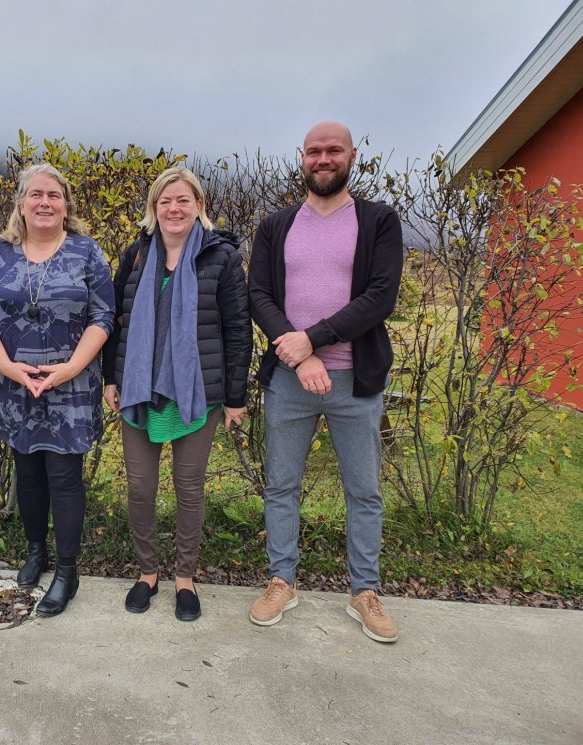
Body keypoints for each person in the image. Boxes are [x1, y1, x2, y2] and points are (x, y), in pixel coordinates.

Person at [248, 121, 404, 642]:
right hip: (290, 381)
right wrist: (299, 356)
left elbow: (381, 296)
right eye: (314, 151)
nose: (323, 159)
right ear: (302, 158)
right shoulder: (276, 225)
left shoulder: (379, 221)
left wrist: (311, 340)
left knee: (363, 490)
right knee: (282, 485)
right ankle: (281, 580)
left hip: (355, 382)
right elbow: (259, 296)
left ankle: (365, 591)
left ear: (351, 155)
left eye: (333, 150)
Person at [103, 167, 252, 622]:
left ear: (199, 206)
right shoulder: (135, 254)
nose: (174, 208)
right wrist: (111, 377)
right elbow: (112, 321)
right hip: (139, 390)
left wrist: (234, 396)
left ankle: (185, 577)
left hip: (197, 392)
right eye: (165, 201)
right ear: (154, 207)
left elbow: (237, 329)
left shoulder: (221, 258)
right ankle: (148, 572)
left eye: (183, 200)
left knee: (189, 489)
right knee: (141, 488)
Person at [0, 163, 114, 616]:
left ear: (66, 204)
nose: (45, 202)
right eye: (36, 194)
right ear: (21, 203)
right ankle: (36, 551)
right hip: (15, 385)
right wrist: (7, 367)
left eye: (54, 195)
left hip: (72, 384)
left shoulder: (87, 253)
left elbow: (104, 316)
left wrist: (72, 366)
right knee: (27, 471)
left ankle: (67, 571)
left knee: (64, 477)